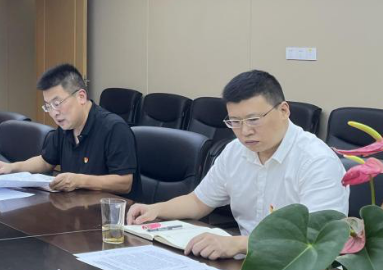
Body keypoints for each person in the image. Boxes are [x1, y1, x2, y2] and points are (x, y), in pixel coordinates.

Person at [127, 70, 348, 260]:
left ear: (283, 111)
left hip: (297, 269)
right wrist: (156, 209)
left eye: (254, 120)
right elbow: (198, 202)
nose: (245, 131)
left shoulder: (317, 161)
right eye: (235, 122)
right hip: (245, 263)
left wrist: (238, 244)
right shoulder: (235, 151)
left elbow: (317, 238)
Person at [0, 63, 138, 194]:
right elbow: (45, 161)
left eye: (57, 103)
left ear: (81, 97)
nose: (54, 113)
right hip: (76, 207)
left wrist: (80, 181)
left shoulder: (114, 128)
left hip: (111, 213)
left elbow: (125, 183)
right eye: (48, 106)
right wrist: (12, 168)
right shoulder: (66, 127)